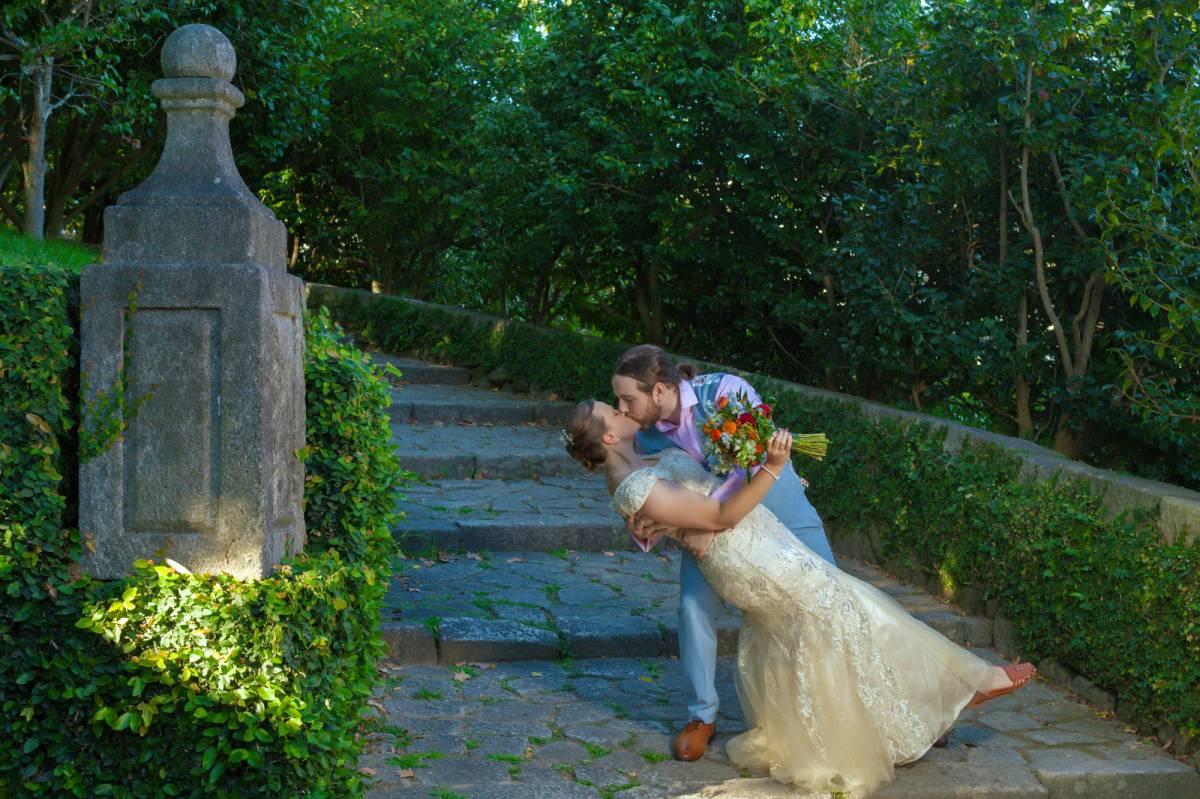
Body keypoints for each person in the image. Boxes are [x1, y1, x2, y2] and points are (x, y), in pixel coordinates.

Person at [562, 399, 1035, 797]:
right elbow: (721, 515)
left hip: (758, 540)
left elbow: (695, 499)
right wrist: (773, 467)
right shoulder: (634, 486)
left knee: (812, 629)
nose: (624, 409)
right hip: (745, 555)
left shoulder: (641, 464)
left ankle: (906, 713)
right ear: (607, 438)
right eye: (614, 411)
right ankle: (965, 684)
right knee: (849, 605)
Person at [611, 344, 835, 760]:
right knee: (692, 608)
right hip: (715, 532)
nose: (622, 408)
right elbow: (659, 490)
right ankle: (703, 716)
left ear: (659, 390)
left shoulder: (726, 392)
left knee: (835, 601)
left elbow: (754, 463)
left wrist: (708, 525)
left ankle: (884, 706)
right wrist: (649, 521)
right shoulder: (645, 435)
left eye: (628, 399)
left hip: (776, 504)